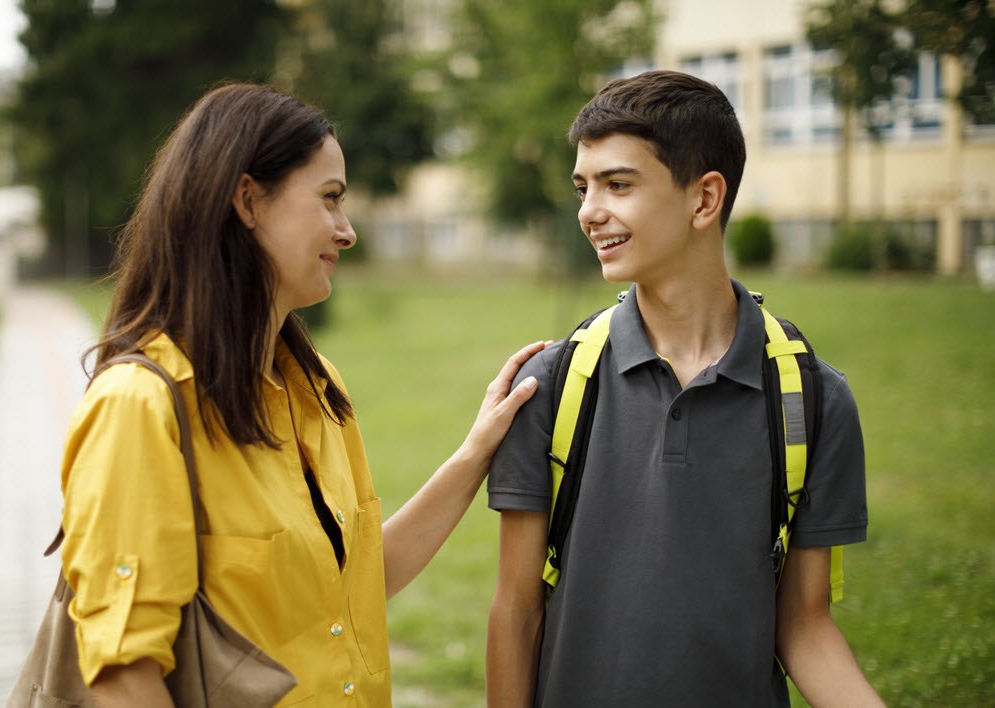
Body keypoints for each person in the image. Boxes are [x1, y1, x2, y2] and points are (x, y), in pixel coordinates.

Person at [58, 82, 544, 707]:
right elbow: (124, 674)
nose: (347, 232)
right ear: (248, 200)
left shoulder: (317, 389)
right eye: (330, 199)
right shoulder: (140, 406)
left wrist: (477, 452)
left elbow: (362, 579)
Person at [485, 71, 883, 707]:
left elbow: (803, 625)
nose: (590, 210)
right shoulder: (553, 386)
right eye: (583, 187)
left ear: (704, 200)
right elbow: (516, 611)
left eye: (619, 184)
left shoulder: (812, 399)